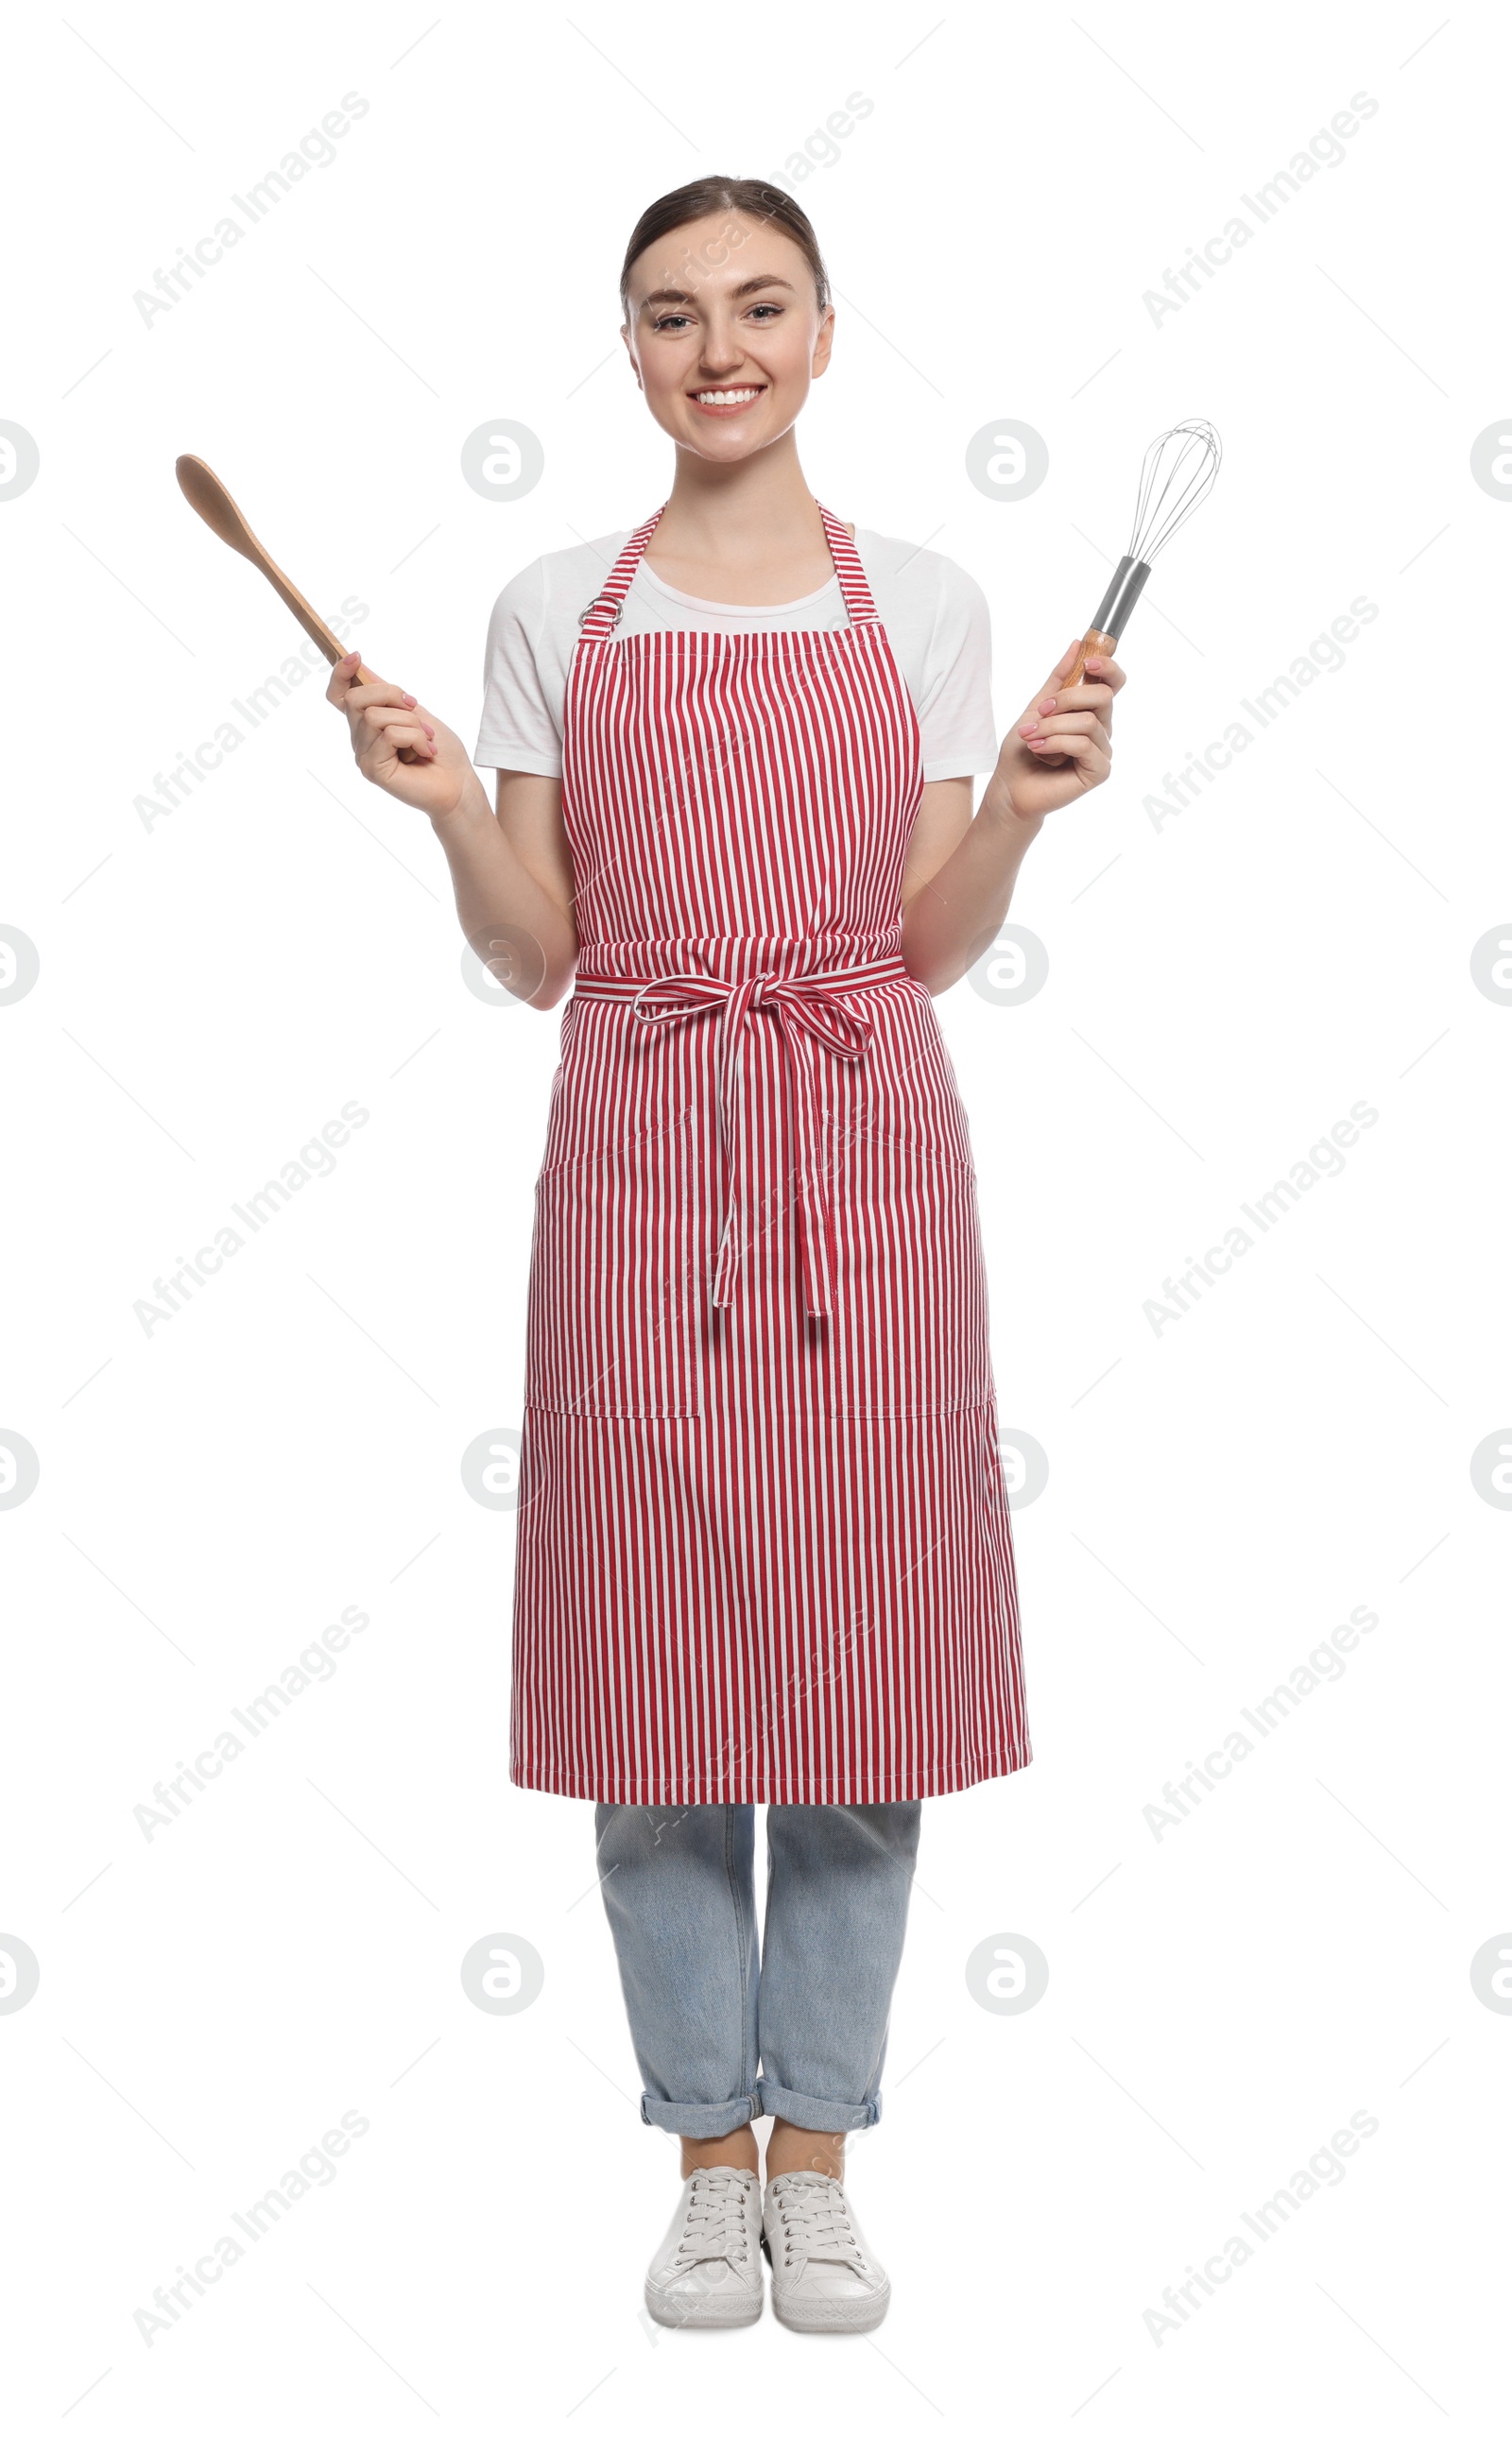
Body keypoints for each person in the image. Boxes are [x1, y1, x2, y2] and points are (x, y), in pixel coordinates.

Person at [327, 175, 1123, 2334]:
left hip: (863, 1147)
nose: (718, 346)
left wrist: (1033, 804)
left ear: (826, 334)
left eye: (758, 305)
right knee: (652, 1661)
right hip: (632, 1149)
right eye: (672, 314)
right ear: (630, 350)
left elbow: (925, 946)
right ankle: (703, 2149)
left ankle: (822, 2151)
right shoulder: (549, 606)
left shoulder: (932, 604)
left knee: (861, 1665)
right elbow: (538, 957)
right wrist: (439, 814)